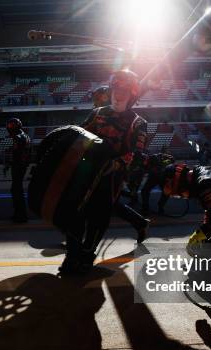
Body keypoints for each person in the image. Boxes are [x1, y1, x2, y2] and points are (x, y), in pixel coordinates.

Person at [61, 69, 149, 274]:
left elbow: (137, 153)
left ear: (133, 94)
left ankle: (86, 256)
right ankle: (72, 255)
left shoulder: (139, 123)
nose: (118, 94)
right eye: (116, 89)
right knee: (75, 214)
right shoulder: (97, 114)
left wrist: (117, 164)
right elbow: (79, 135)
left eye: (124, 90)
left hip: (111, 178)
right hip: (85, 172)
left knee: (98, 218)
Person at [4, 118, 31, 223]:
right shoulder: (25, 136)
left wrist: (10, 163)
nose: (9, 128)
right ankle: (20, 214)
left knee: (16, 191)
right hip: (22, 166)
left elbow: (17, 154)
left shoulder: (18, 137)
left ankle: (20, 215)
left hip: (18, 166)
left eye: (10, 126)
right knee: (16, 190)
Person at [141, 146, 175, 215]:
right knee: (166, 192)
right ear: (167, 151)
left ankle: (145, 207)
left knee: (145, 191)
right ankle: (160, 206)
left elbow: (147, 166)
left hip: (154, 176)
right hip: (163, 177)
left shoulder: (154, 156)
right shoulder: (171, 158)